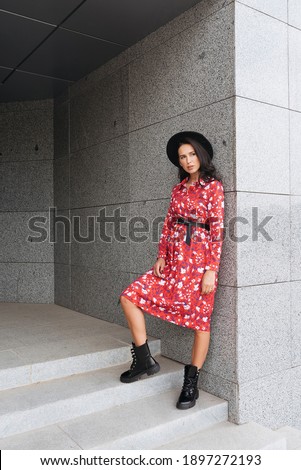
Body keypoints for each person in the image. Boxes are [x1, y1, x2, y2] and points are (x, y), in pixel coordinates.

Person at [119, 131, 225, 410]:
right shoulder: (177, 189)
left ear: (200, 155)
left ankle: (191, 383)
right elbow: (168, 225)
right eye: (183, 157)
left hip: (199, 264)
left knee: (201, 322)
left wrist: (211, 270)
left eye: (192, 154)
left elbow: (217, 231)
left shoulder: (212, 187)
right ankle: (144, 359)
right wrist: (161, 256)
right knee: (129, 296)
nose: (188, 161)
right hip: (174, 262)